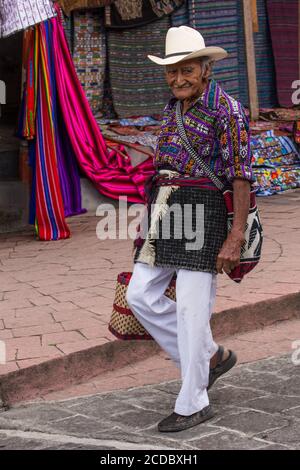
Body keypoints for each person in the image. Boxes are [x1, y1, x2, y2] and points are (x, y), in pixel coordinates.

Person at [126, 26, 254, 433]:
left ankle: (193, 400)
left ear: (204, 68)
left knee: (191, 308)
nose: (178, 78)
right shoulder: (172, 108)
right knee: (140, 294)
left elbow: (241, 177)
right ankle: (210, 356)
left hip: (206, 213)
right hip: (167, 211)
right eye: (171, 71)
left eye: (186, 70)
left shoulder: (227, 110)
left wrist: (235, 236)